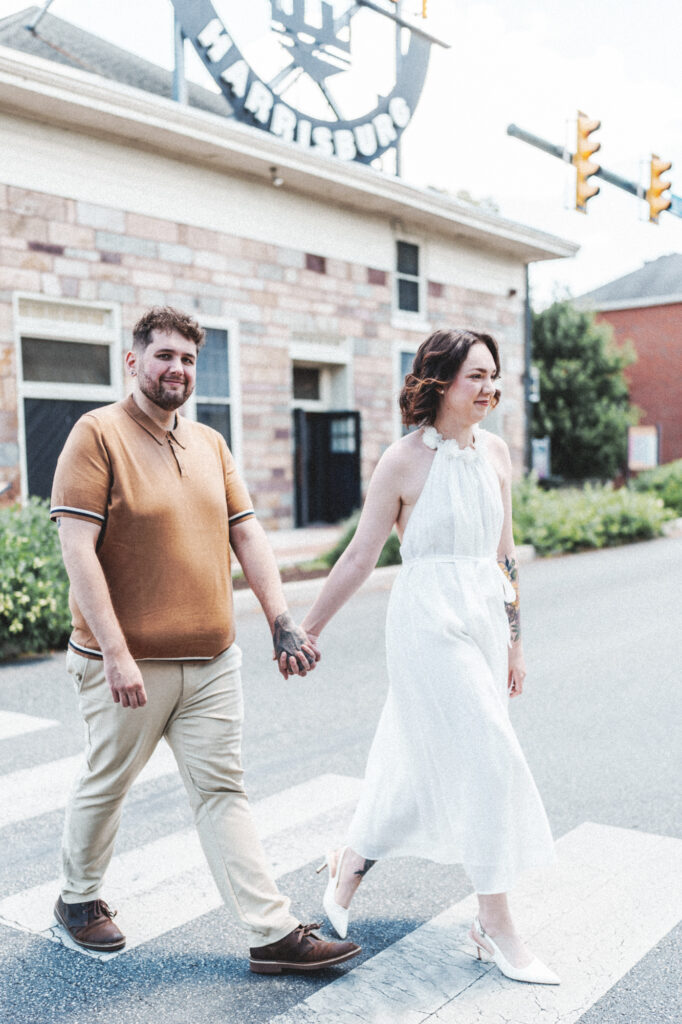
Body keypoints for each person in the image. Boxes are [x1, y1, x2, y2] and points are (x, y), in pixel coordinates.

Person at [49, 305, 360, 975]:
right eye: (164, 355)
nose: (177, 369)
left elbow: (245, 532)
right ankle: (78, 900)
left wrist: (281, 621)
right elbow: (78, 548)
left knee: (223, 790)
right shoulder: (96, 434)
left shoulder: (210, 444)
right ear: (134, 361)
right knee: (109, 782)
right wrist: (116, 651)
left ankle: (272, 934)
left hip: (213, 659)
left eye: (188, 360)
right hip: (126, 662)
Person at [296, 328, 560, 985]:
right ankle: (495, 923)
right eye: (476, 375)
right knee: (489, 753)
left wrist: (517, 641)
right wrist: (309, 628)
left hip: (483, 621)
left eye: (494, 374)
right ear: (440, 381)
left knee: (421, 756)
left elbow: (504, 557)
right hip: (426, 622)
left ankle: (349, 863)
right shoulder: (403, 462)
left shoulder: (498, 455)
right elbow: (360, 555)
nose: (490, 387)